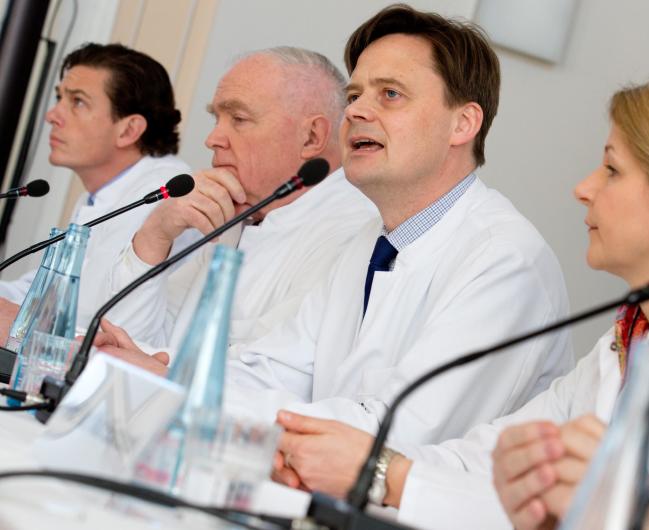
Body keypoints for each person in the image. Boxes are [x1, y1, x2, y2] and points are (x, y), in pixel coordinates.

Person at [270, 70, 649, 529]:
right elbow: (492, 455)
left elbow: (610, 516)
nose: (583, 187)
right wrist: (364, 465)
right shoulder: (633, 333)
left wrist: (380, 475)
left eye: (612, 169)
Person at [230, 3, 573, 498]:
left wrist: (227, 409)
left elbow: (395, 436)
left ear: (463, 124)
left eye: (389, 94)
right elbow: (275, 366)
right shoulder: (371, 239)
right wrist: (169, 371)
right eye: (354, 94)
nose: (355, 111)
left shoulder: (507, 260)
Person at [93, 47, 376, 373]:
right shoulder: (236, 216)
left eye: (239, 119)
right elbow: (124, 336)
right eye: (216, 119)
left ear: (312, 137)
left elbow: (272, 377)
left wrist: (153, 365)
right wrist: (155, 234)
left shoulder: (352, 233)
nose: (212, 139)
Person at [0, 43, 196, 336]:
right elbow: (42, 292)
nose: (52, 115)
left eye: (77, 102)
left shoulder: (165, 194)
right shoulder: (102, 192)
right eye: (59, 98)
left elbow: (95, 319)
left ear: (129, 130)